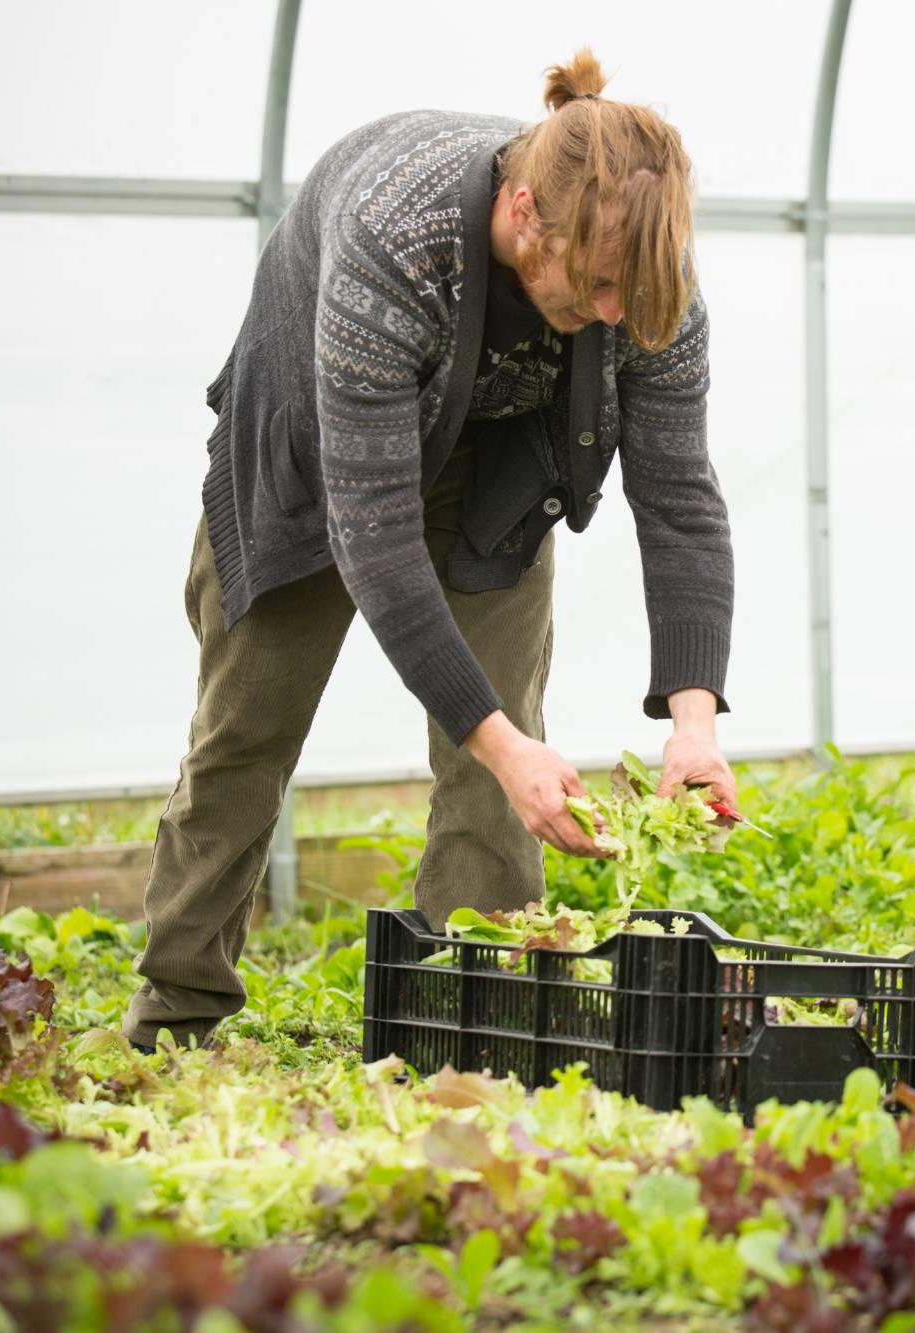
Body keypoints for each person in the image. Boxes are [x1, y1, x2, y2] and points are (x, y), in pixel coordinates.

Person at [122, 49, 736, 1052]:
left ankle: (485, 1014)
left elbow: (680, 503)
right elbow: (372, 533)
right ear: (525, 212)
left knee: (503, 739)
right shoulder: (395, 237)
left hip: (492, 463)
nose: (616, 314)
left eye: (632, 290)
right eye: (596, 286)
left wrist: (693, 723)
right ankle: (177, 1013)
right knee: (249, 724)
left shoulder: (648, 285)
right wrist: (501, 746)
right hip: (315, 456)